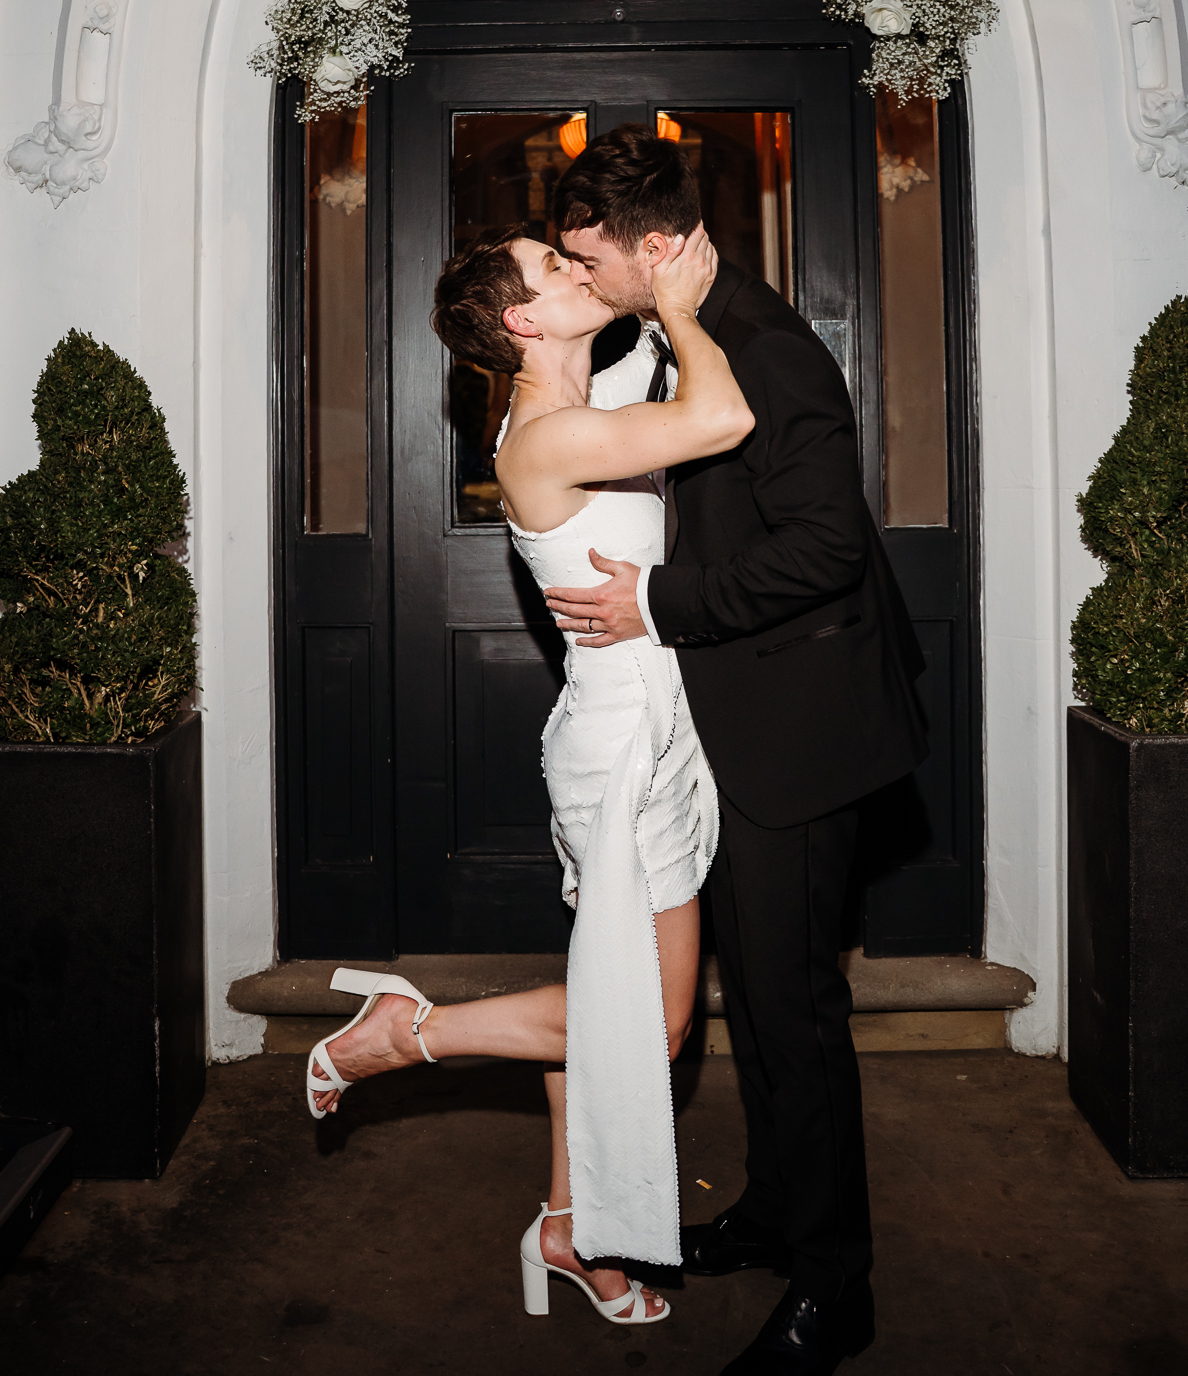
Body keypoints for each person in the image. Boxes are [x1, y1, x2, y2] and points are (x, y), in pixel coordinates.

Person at [304, 219, 753, 1330]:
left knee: (598, 988)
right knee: (649, 1026)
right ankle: (404, 1034)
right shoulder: (543, 437)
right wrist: (683, 311)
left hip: (643, 726)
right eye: (555, 267)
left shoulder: (580, 401)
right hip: (622, 749)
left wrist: (654, 297)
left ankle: (570, 1224)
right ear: (520, 319)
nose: (572, 267)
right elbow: (721, 417)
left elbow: (662, 392)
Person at [543, 124, 930, 1376]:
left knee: (795, 1015)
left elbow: (823, 549)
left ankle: (836, 1288)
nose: (578, 275)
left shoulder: (767, 349)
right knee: (757, 1008)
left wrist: (656, 604)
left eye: (586, 257)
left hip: (799, 738)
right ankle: (774, 1211)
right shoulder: (679, 332)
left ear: (657, 249)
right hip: (739, 728)